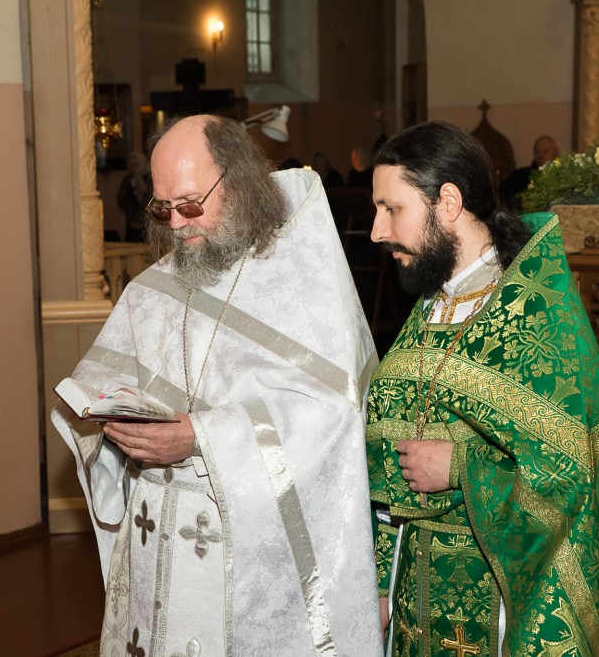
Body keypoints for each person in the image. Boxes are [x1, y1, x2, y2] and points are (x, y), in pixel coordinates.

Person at [53, 114, 383, 656]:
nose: (177, 224)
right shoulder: (151, 291)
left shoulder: (300, 288)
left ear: (240, 182)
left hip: (250, 560)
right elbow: (105, 377)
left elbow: (333, 420)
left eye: (190, 204)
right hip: (155, 542)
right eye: (163, 208)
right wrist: (105, 412)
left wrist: (200, 437)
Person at [366, 121, 599, 656]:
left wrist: (462, 469)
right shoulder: (435, 301)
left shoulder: (534, 312)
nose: (376, 231)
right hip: (416, 588)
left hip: (510, 596)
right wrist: (377, 584)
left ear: (448, 202)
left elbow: (573, 479)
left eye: (391, 208)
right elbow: (387, 462)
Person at [498, 134, 559, 211]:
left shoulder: (562, 176)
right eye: (537, 152)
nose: (541, 155)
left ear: (555, 153)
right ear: (533, 154)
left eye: (545, 151)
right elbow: (502, 194)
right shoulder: (519, 176)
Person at [115, 151, 150, 242]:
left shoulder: (149, 178)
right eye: (130, 165)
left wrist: (145, 192)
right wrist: (132, 192)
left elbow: (153, 201)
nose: (133, 168)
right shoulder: (126, 180)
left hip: (146, 222)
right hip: (131, 220)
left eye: (136, 165)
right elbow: (120, 200)